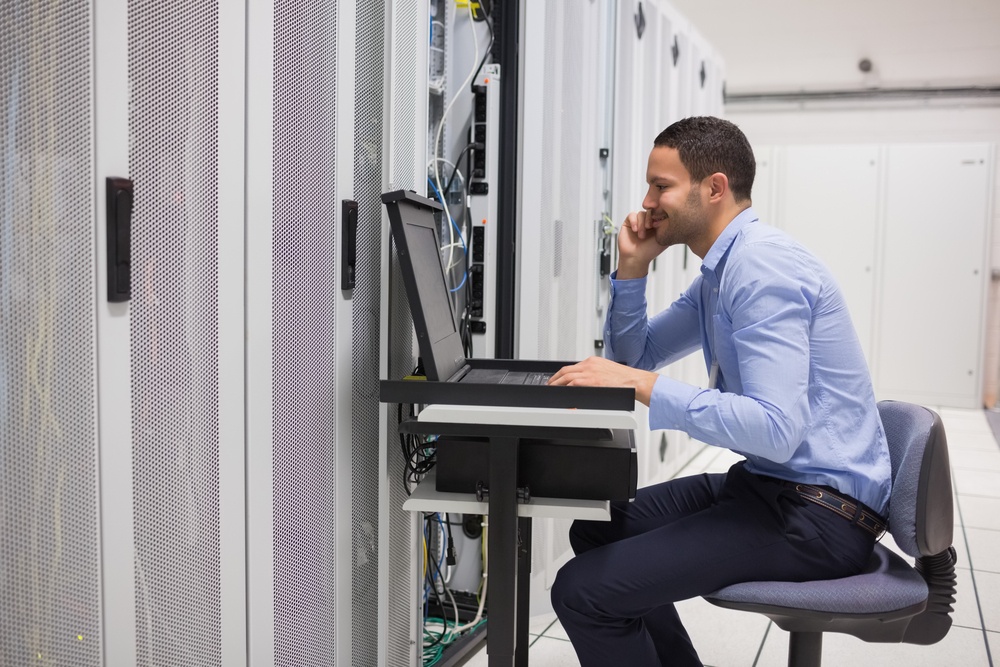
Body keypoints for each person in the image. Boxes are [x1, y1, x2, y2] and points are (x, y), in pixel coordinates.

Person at [546, 116, 892, 667]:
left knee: (580, 592)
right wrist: (631, 272)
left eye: (662, 186)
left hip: (819, 516)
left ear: (714, 188)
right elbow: (632, 357)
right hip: (771, 487)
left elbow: (775, 431)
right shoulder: (719, 273)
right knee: (597, 528)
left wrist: (642, 386)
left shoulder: (760, 266)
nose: (648, 200)